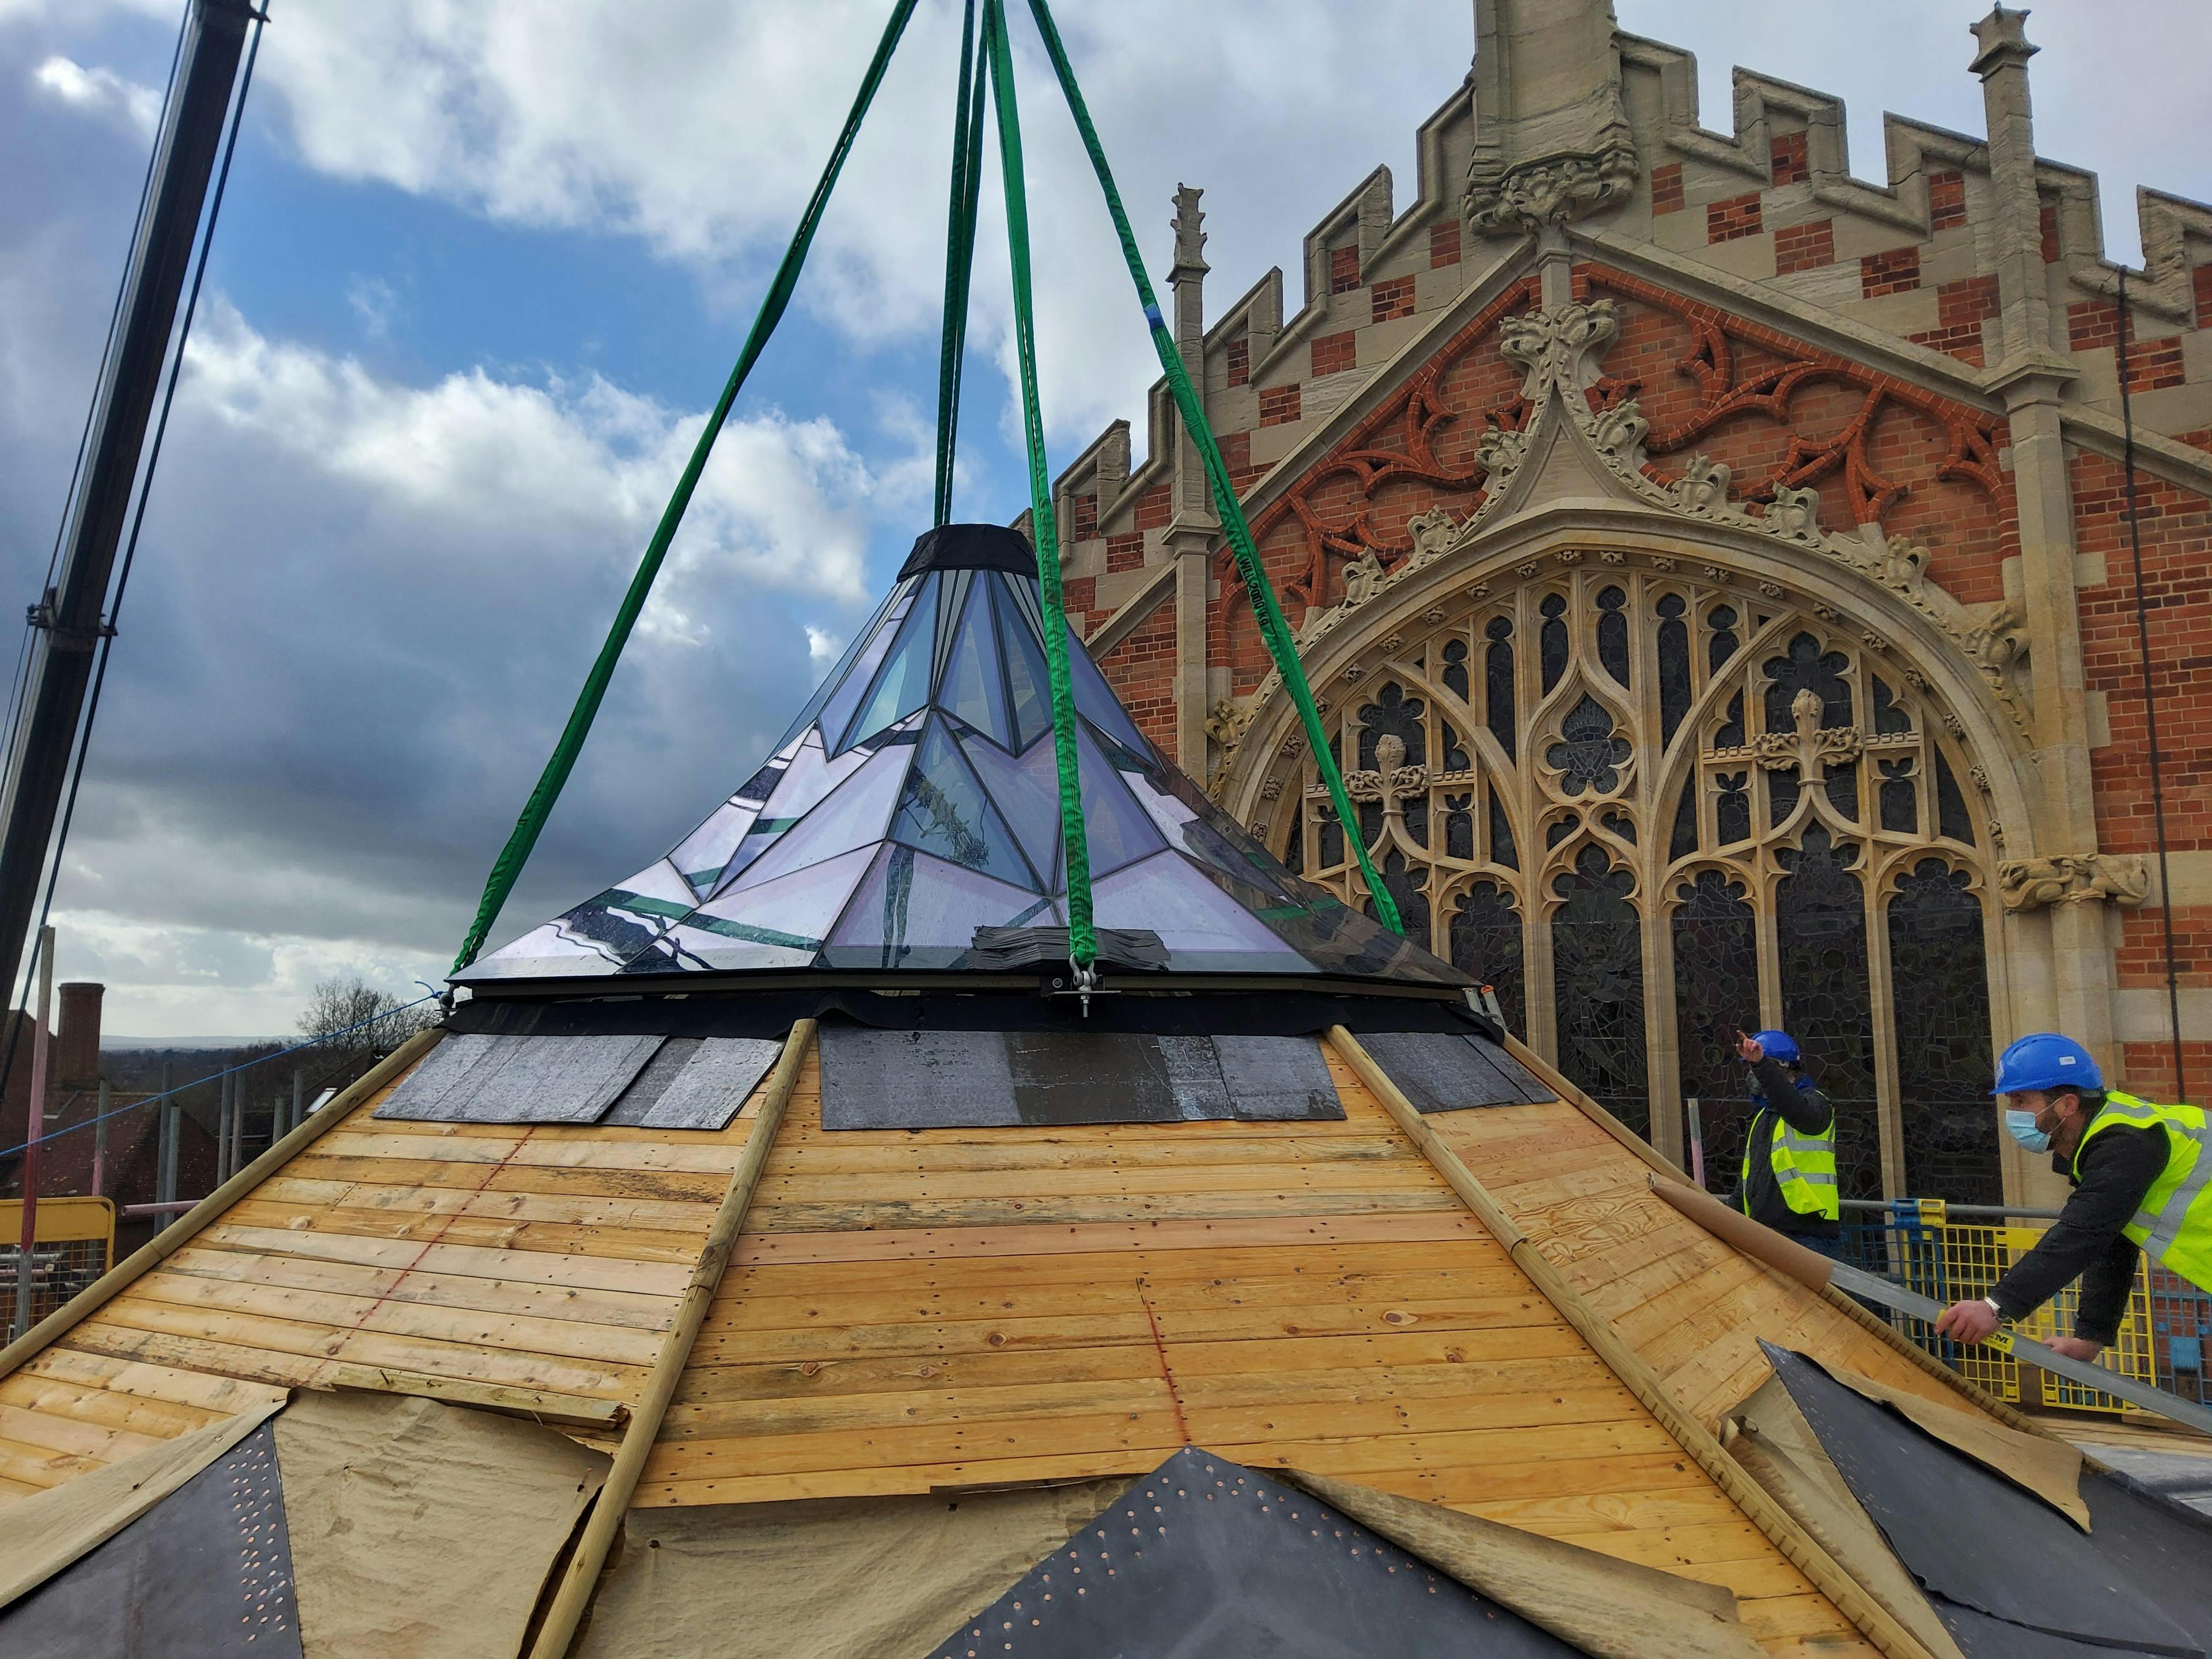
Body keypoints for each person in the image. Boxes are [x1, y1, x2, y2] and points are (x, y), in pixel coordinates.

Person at [1936, 1034, 2208, 1361]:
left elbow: (2082, 1233)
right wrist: (2090, 1337)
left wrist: (1996, 1307)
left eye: (2021, 1101)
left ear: (2067, 1104)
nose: (2012, 1114)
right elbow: (2111, 1240)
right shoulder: (2107, 1141)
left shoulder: (2126, 1143)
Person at [1732, 1028, 1841, 1256]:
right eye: (1751, 1067)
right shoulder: (1764, 1116)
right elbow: (1750, 1180)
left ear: (1782, 1068)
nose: (1752, 1074)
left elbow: (1793, 1107)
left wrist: (1762, 1065)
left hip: (1808, 1235)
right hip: (1765, 1233)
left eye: (1757, 1068)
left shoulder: (1816, 1105)